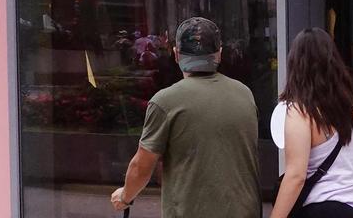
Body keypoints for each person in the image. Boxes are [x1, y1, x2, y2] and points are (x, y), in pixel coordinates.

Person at [109, 17, 260, 217]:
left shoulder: (165, 102)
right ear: (219, 54)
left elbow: (141, 167)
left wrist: (125, 197)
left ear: (176, 54)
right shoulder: (244, 94)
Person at [270, 28, 353, 218]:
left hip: (327, 206)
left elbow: (296, 176)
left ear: (295, 65)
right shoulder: (352, 105)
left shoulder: (300, 111)